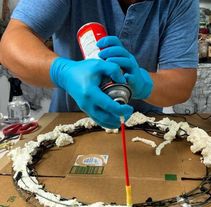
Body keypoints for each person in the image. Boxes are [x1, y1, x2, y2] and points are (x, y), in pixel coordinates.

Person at [0, 0, 199, 129]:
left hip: (141, 127)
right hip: (69, 123)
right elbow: (11, 43)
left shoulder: (180, 3)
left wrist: (145, 83)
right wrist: (63, 72)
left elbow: (181, 83)